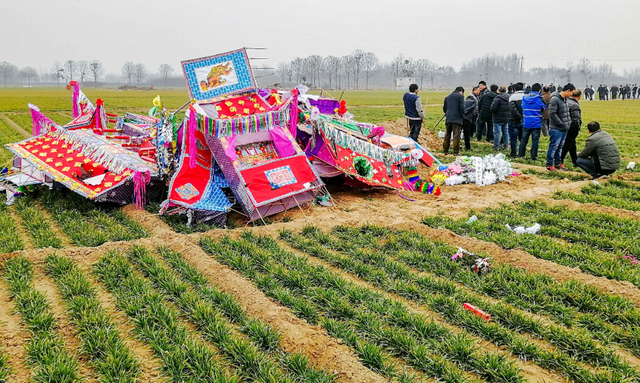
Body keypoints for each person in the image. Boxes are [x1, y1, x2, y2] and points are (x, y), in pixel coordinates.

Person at [546, 83, 575, 171]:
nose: (571, 95)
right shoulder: (555, 99)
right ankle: (549, 164)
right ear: (567, 91)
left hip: (564, 128)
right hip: (556, 128)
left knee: (560, 147)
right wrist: (562, 124)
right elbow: (552, 114)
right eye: (571, 93)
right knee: (554, 146)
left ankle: (558, 163)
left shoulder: (564, 99)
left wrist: (568, 124)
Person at [519, 83, 546, 160]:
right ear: (539, 90)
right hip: (536, 123)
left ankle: (521, 155)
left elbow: (522, 107)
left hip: (526, 122)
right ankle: (533, 156)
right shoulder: (540, 99)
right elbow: (544, 108)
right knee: (535, 141)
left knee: (523, 140)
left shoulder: (524, 98)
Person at [560, 89, 583, 167]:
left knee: (572, 145)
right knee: (567, 145)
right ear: (579, 96)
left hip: (564, 126)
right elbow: (575, 119)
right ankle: (560, 160)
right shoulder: (575, 105)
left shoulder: (566, 101)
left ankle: (575, 161)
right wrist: (577, 128)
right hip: (571, 128)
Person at [442, 86, 465, 155]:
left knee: (447, 135)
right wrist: (462, 115)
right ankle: (456, 151)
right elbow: (462, 108)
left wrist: (447, 114)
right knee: (456, 135)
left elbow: (444, 108)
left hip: (448, 118)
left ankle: (445, 150)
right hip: (457, 119)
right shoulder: (460, 96)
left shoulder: (447, 97)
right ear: (461, 92)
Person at [490, 86, 510, 151]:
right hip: (506, 118)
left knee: (497, 132)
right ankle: (506, 145)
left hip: (497, 118)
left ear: (499, 90)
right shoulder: (509, 98)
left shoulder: (497, 98)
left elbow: (493, 108)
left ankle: (496, 146)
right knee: (505, 132)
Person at [508, 82, 525, 157]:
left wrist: (518, 116)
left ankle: (514, 153)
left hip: (513, 120)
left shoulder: (512, 97)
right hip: (524, 120)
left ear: (514, 89)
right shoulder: (526, 96)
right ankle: (521, 153)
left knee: (513, 138)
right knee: (522, 139)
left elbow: (512, 109)